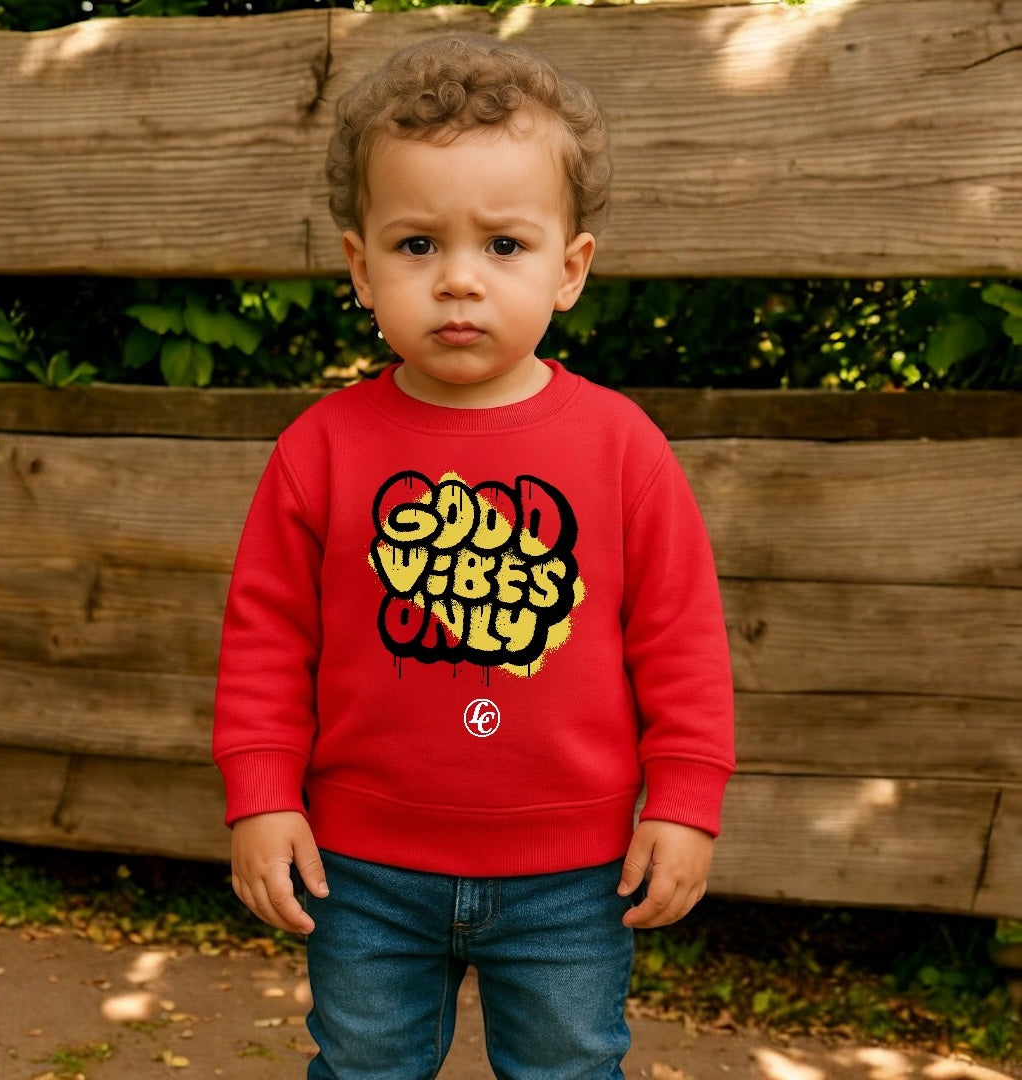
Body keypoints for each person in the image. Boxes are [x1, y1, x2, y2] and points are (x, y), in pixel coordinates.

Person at [213, 33, 735, 1079]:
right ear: (360, 266)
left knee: (570, 1068)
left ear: (570, 269)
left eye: (503, 245)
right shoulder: (320, 450)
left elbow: (679, 641)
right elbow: (267, 641)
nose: (458, 280)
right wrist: (262, 794)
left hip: (574, 877)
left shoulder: (622, 448)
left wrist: (684, 802)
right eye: (417, 246)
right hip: (361, 868)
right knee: (361, 1066)